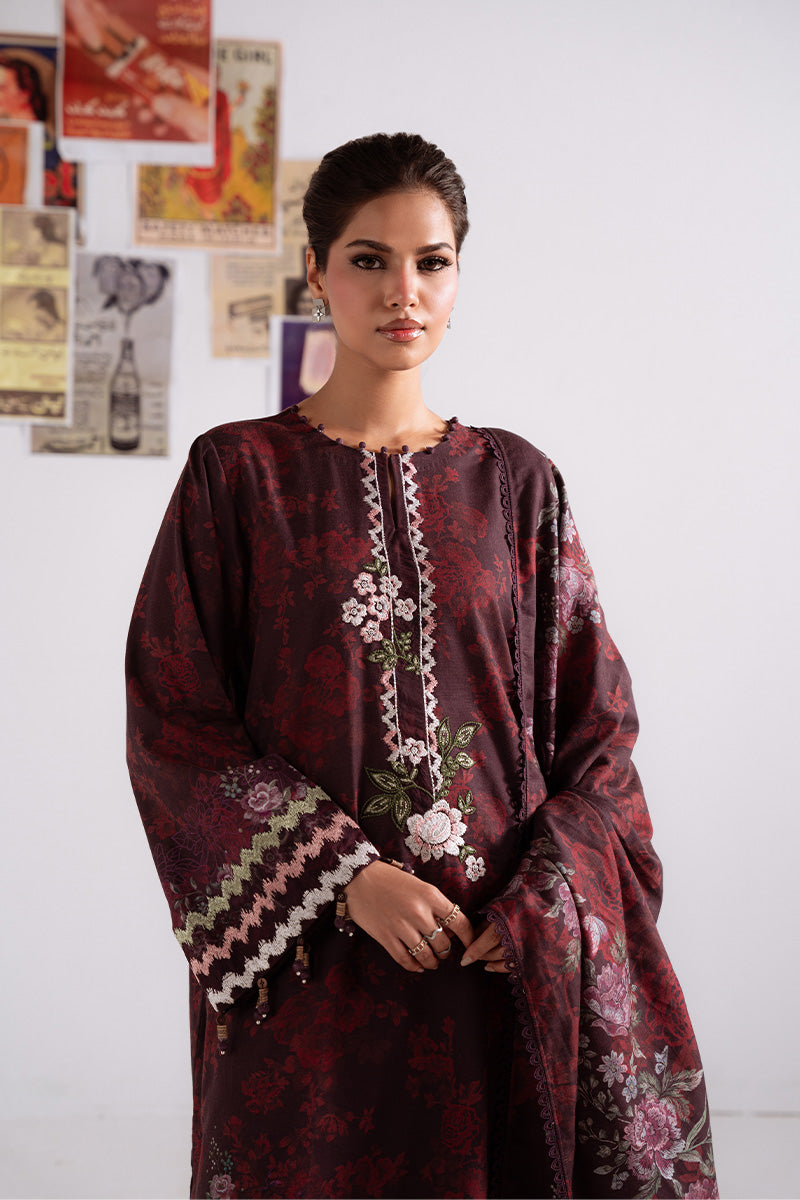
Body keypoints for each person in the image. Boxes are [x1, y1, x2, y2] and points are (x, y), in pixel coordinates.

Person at [126, 132, 718, 1200]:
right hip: (308, 953)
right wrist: (346, 878)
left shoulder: (517, 482)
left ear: (456, 275)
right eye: (369, 259)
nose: (404, 291)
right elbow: (177, 718)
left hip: (494, 951)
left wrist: (541, 895)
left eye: (431, 262)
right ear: (317, 272)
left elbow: (598, 730)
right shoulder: (238, 475)